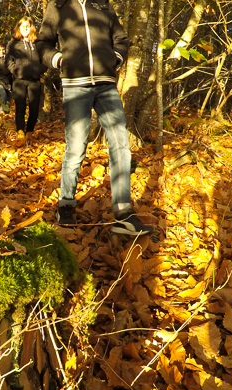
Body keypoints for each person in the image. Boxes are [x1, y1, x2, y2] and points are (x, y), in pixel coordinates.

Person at [36, 0, 152, 236]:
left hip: (106, 85)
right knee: (76, 146)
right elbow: (42, 43)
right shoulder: (57, 6)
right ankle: (66, 206)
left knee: (120, 143)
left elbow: (120, 39)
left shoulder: (102, 5)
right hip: (75, 86)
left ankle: (123, 213)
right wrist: (58, 59)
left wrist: (115, 58)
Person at [6, 17, 46, 139]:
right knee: (20, 108)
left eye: (27, 26)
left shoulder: (37, 43)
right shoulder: (13, 43)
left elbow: (45, 59)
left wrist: (40, 69)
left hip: (34, 81)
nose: (25, 29)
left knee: (34, 109)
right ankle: (20, 133)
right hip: (19, 81)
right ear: (18, 28)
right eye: (22, 26)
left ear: (31, 28)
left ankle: (29, 132)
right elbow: (8, 60)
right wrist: (15, 71)